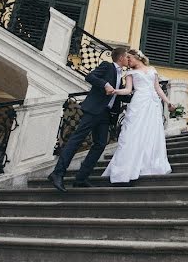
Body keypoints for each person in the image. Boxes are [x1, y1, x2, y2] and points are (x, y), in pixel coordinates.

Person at [47, 46, 131, 192]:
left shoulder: (121, 75)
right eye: (127, 56)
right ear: (121, 57)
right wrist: (105, 84)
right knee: (76, 140)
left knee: (100, 144)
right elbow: (90, 77)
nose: (129, 59)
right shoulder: (107, 66)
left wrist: (141, 94)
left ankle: (81, 178)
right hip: (94, 110)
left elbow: (121, 94)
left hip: (106, 113)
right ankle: (57, 173)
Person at [101, 49, 173, 186]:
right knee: (132, 133)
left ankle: (147, 166)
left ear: (136, 57)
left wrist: (168, 102)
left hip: (152, 104)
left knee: (151, 134)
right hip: (139, 103)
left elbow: (157, 88)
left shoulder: (152, 69)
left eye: (129, 58)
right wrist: (115, 91)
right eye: (126, 59)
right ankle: (123, 170)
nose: (128, 61)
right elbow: (128, 90)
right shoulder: (130, 73)